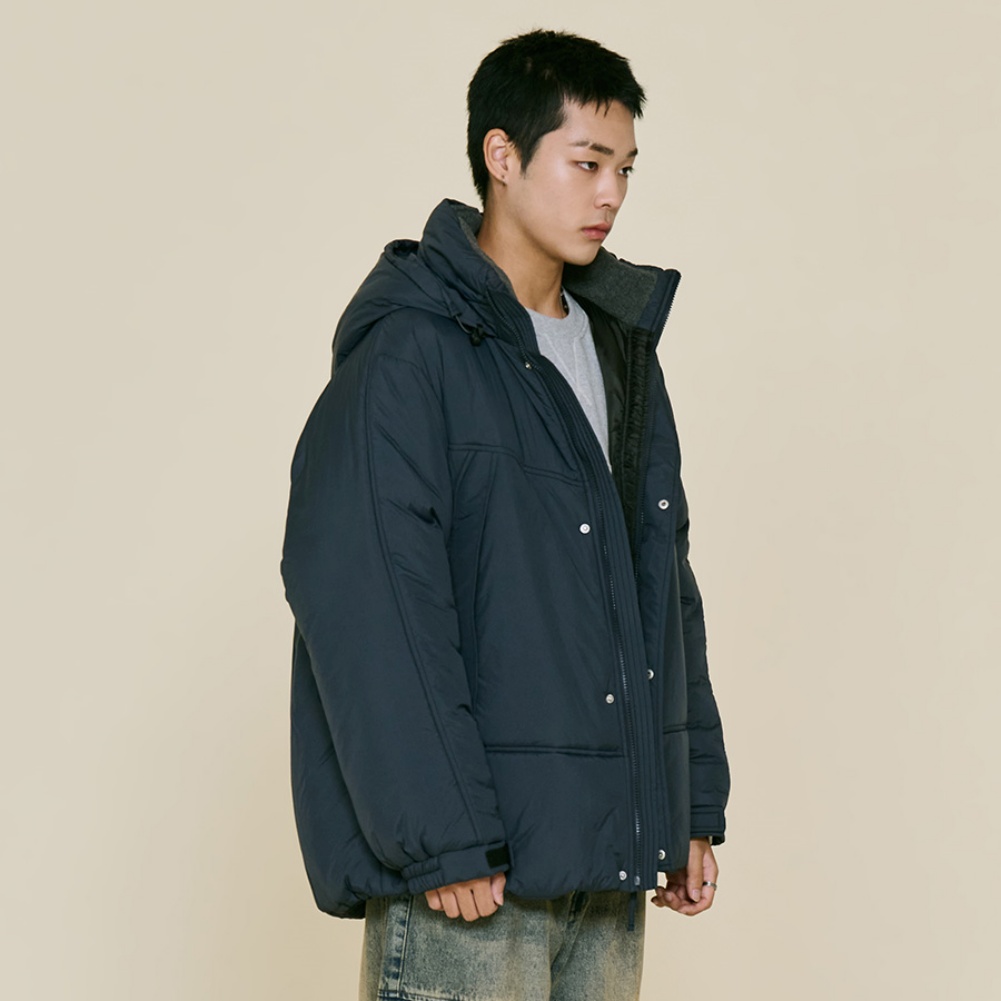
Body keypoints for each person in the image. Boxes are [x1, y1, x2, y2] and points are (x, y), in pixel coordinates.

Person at [280, 28, 730, 1001]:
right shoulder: (411, 354)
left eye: (624, 168)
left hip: (605, 864)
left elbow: (662, 589)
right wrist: (440, 834)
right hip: (470, 877)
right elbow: (367, 597)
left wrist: (685, 802)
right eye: (585, 163)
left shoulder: (620, 355)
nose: (610, 194)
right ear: (501, 155)